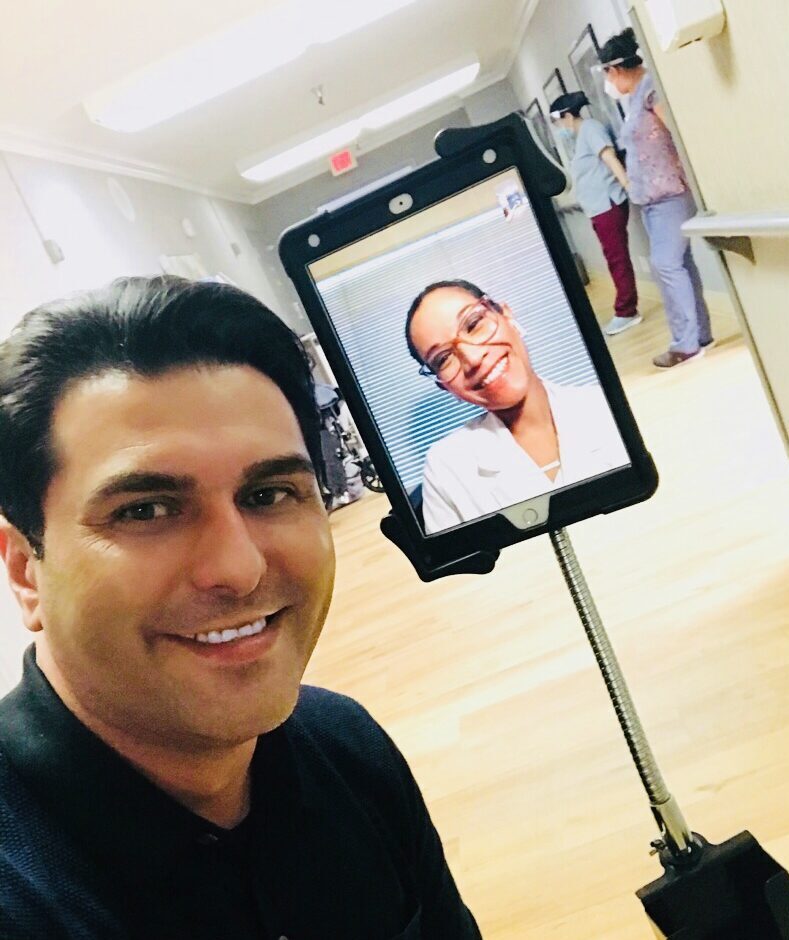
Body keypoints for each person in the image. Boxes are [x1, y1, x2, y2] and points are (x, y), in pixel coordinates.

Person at [0, 276, 481, 940]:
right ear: (25, 569)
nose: (239, 566)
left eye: (270, 493)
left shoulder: (345, 747)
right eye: (146, 510)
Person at [405, 280, 630, 534]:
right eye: (443, 359)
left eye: (474, 324)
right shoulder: (447, 469)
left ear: (507, 315)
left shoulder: (608, 407)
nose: (473, 358)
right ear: (445, 386)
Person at [599, 27, 714, 368]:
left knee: (666, 264)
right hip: (652, 200)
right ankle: (699, 334)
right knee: (680, 264)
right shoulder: (634, 98)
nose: (608, 82)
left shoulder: (651, 90)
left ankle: (685, 344)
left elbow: (678, 134)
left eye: (607, 73)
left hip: (671, 193)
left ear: (615, 69)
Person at [549, 90, 642, 337]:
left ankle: (627, 312)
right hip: (598, 208)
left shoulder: (590, 128)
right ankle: (626, 309)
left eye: (557, 121)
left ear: (566, 115)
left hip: (608, 203)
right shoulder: (580, 137)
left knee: (617, 259)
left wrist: (628, 185)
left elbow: (609, 158)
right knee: (614, 258)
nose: (559, 128)